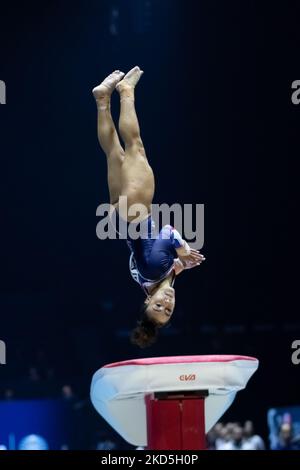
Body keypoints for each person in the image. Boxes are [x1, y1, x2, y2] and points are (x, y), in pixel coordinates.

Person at [92, 66, 205, 348]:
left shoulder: (155, 271)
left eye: (157, 307)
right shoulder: (152, 279)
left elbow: (166, 232)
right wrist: (182, 264)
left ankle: (126, 92)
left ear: (147, 300)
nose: (166, 304)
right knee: (113, 152)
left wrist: (181, 247)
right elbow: (165, 266)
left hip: (135, 212)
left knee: (135, 147)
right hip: (121, 218)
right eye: (168, 311)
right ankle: (102, 99)